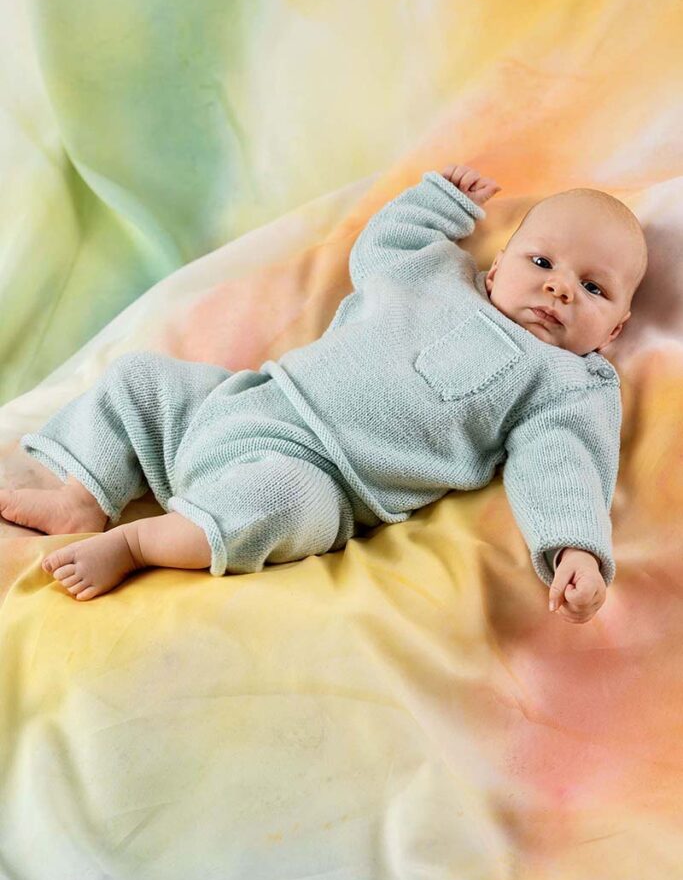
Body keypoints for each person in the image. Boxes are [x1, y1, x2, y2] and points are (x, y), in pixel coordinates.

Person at [0, 164, 647, 623]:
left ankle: (135, 544)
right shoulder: (433, 272)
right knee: (139, 379)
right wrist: (440, 201)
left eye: (593, 288)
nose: (560, 288)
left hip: (324, 476)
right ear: (498, 263)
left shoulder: (562, 383)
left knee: (274, 502)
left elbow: (562, 465)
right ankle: (82, 497)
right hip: (247, 400)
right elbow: (383, 245)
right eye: (541, 262)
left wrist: (576, 549)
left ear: (615, 330)